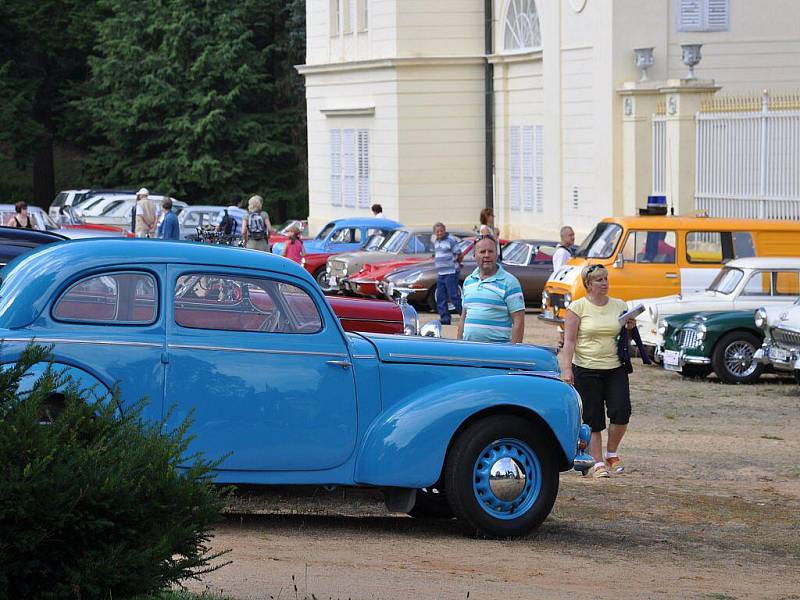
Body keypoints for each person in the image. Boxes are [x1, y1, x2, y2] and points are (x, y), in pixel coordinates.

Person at [560, 264, 636, 479]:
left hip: (614, 368)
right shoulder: (578, 307)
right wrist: (567, 369)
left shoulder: (620, 305)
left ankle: (612, 453)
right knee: (592, 419)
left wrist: (630, 327)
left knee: (621, 412)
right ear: (588, 284)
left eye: (606, 278)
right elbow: (570, 341)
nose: (604, 283)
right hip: (586, 368)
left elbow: (624, 340)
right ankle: (597, 462)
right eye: (599, 280)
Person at [457, 234, 525, 343]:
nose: (487, 255)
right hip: (469, 350)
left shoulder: (510, 282)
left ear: (496, 254)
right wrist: (459, 346)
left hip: (497, 352)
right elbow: (463, 318)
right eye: (482, 252)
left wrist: (514, 353)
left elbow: (519, 321)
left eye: (491, 251)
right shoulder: (468, 281)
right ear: (474, 255)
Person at [432, 222, 463, 326]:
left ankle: (464, 316)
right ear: (434, 233)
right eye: (437, 231)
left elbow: (459, 254)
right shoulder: (436, 241)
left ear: (444, 230)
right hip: (441, 273)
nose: (440, 233)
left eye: (441, 231)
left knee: (454, 296)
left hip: (451, 272)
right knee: (441, 297)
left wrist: (456, 263)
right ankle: (445, 319)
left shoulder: (450, 240)